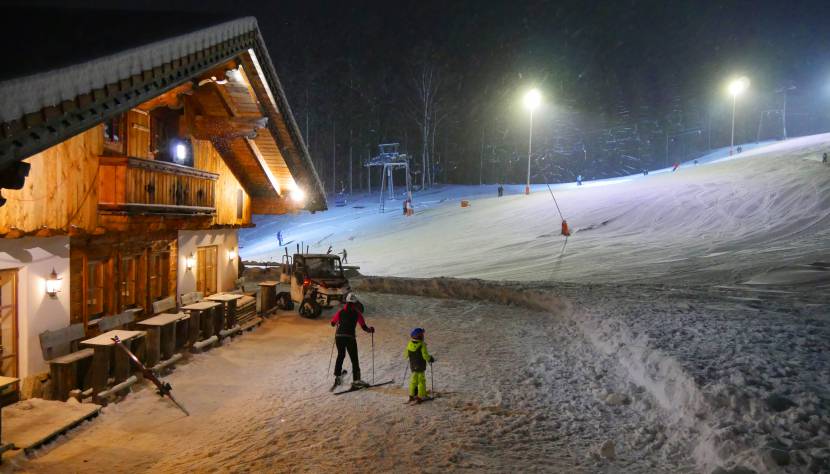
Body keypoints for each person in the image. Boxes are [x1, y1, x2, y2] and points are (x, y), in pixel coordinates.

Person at [330, 293, 374, 390]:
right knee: (354, 359)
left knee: (341, 355)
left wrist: (338, 322)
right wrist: (371, 330)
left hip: (339, 337)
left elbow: (332, 323)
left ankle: (337, 376)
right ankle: (356, 381)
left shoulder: (340, 312)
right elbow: (364, 327)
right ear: (354, 303)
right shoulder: (357, 313)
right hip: (349, 337)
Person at [405, 327, 435, 403]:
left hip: (413, 366)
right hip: (420, 366)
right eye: (422, 334)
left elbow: (405, 355)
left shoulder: (409, 344)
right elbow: (425, 355)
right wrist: (430, 359)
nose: (423, 336)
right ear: (420, 336)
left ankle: (411, 395)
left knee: (413, 381)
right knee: (421, 381)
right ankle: (421, 396)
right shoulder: (422, 345)